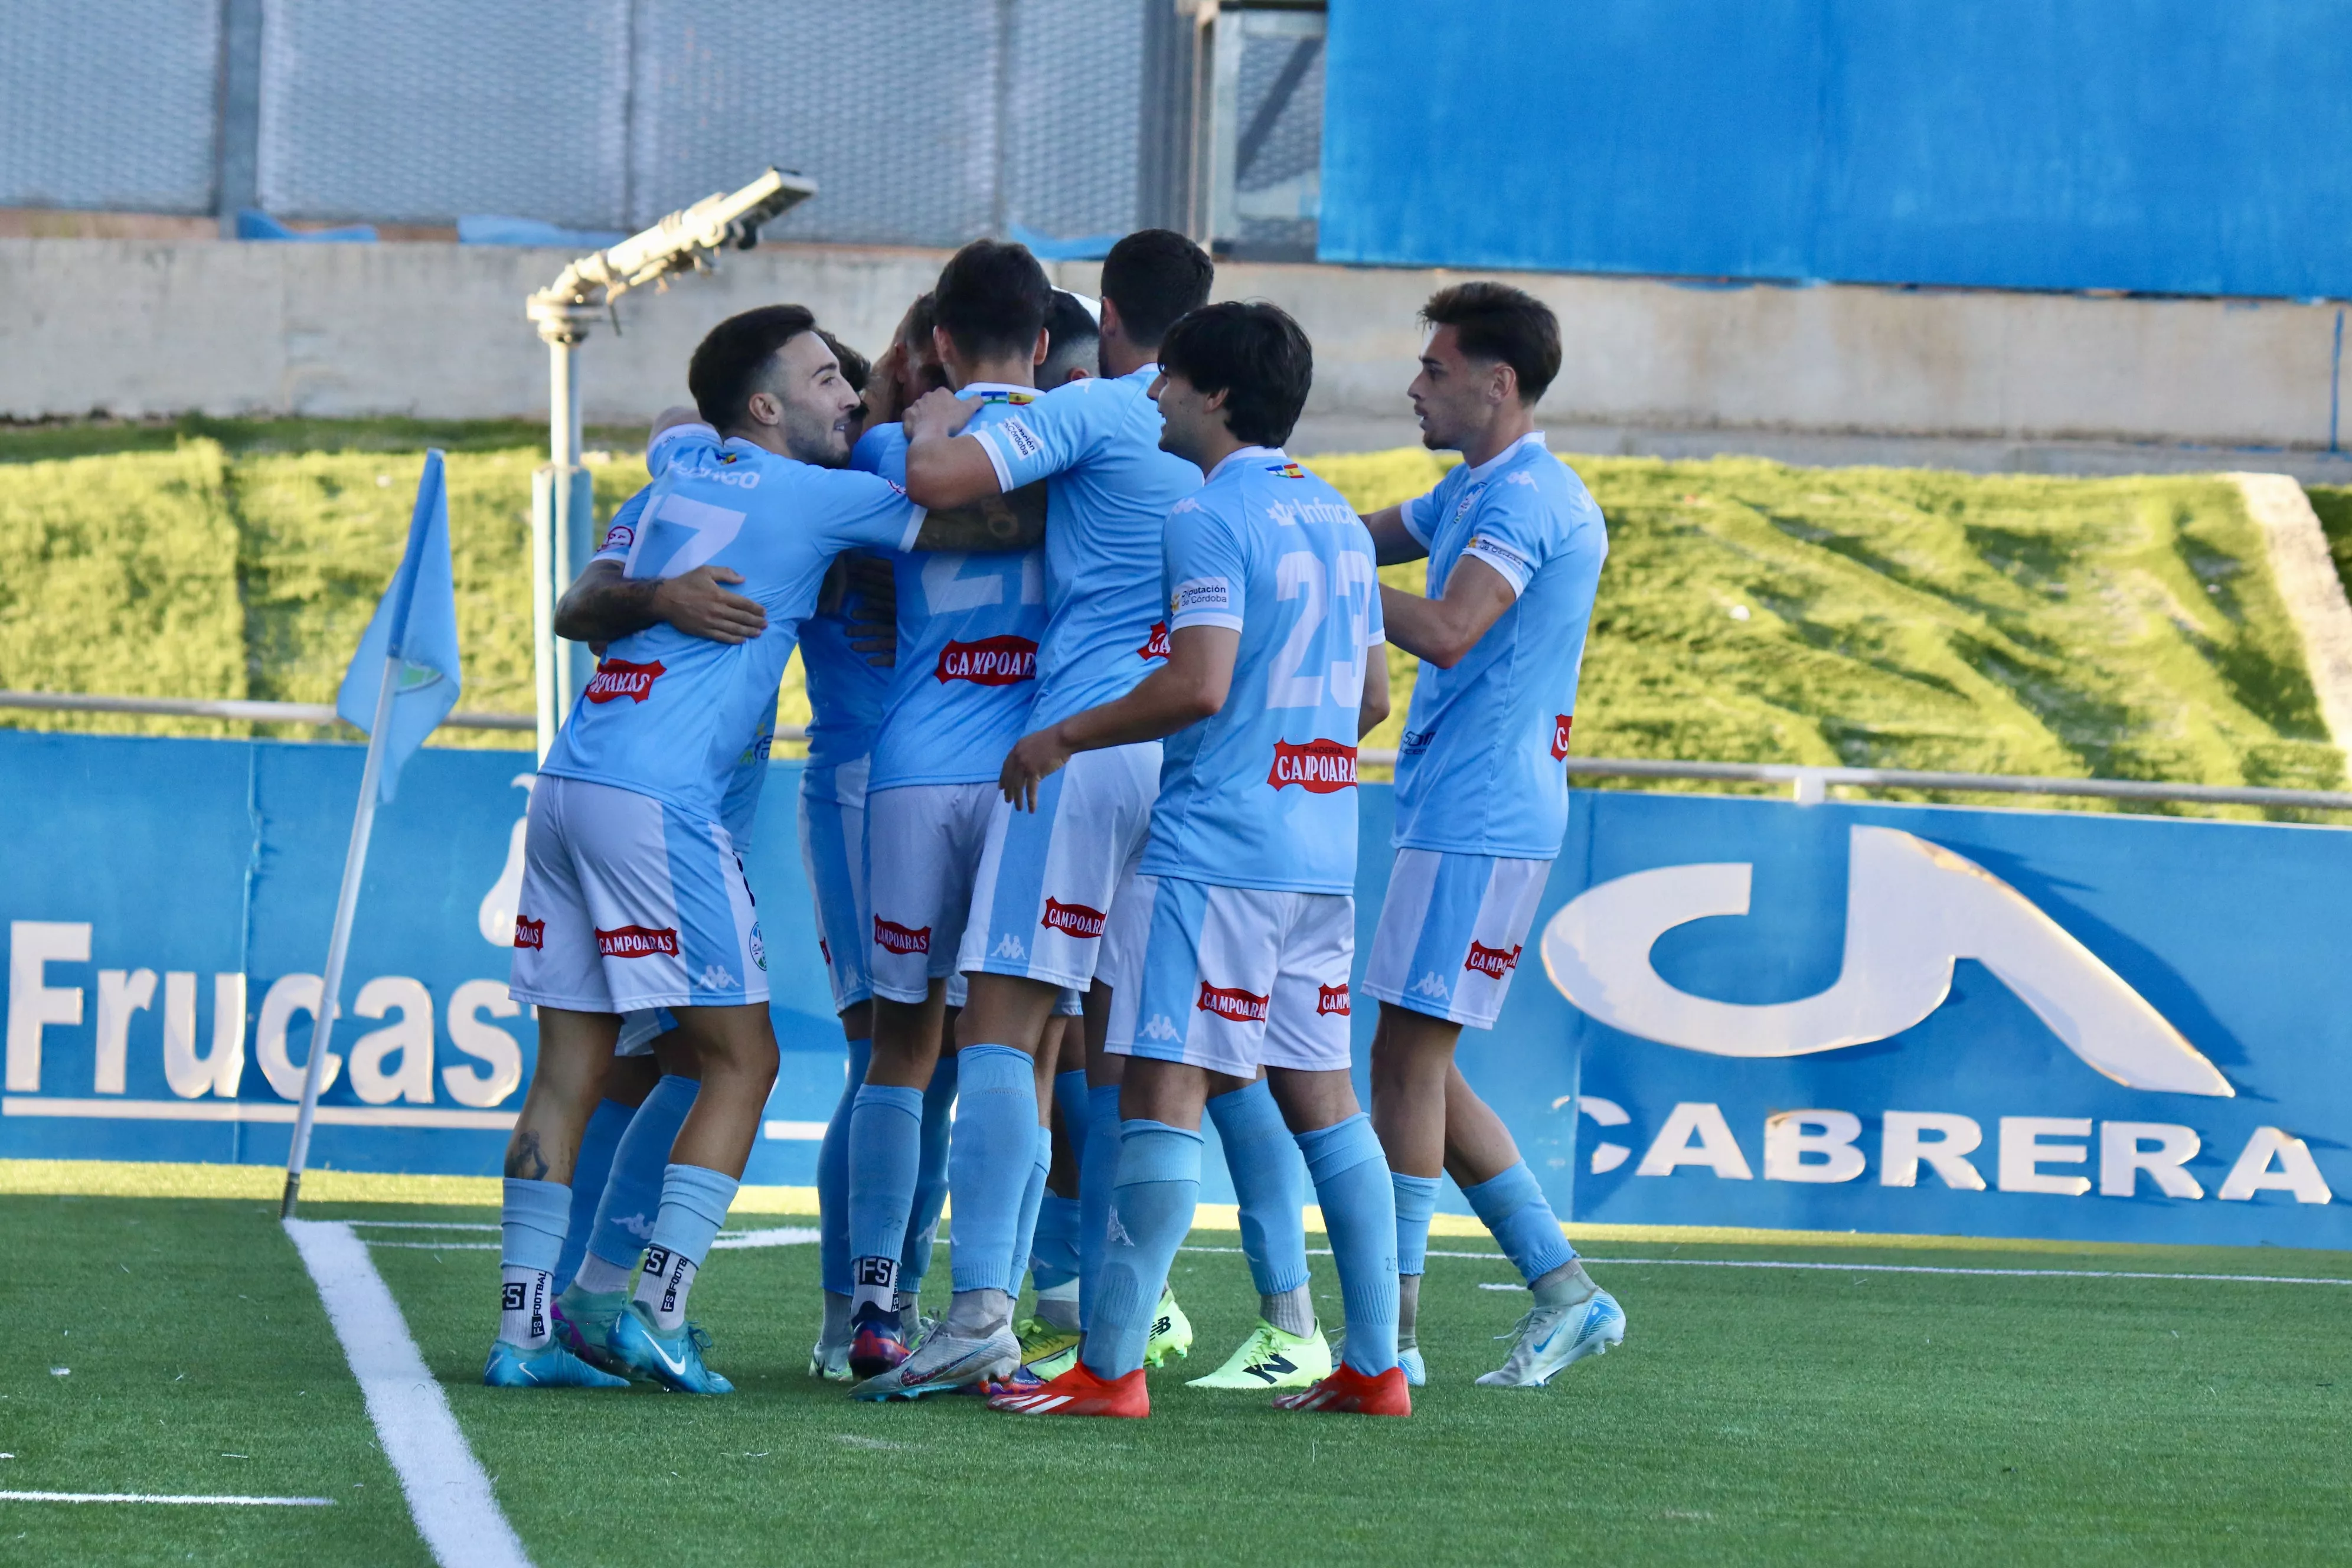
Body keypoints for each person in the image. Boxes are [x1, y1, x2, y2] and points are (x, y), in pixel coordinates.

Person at [488, 303, 1024, 1394]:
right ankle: (659, 1312)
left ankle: (524, 1335)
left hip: (567, 787)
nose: (849, 398)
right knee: (748, 1060)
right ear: (767, 405)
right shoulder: (816, 493)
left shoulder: (673, 481)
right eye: (825, 381)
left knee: (576, 1070)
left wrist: (654, 593)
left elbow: (582, 600)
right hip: (658, 804)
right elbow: (985, 525)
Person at [903, 231, 1324, 1391]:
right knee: (1153, 1058)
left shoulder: (1100, 407)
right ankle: (1207, 1319)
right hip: (1191, 770)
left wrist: (938, 409)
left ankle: (980, 1304)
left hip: (1083, 747)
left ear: (1106, 312)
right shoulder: (1274, 473)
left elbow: (938, 479)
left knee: (1001, 1018)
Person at [989, 302, 1406, 1419]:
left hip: (1218, 850)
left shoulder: (1207, 515)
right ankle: (1375, 1367)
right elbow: (1370, 697)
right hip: (1321, 850)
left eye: (1169, 379)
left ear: (1215, 396)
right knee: (1327, 1105)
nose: (1154, 394)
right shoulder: (1335, 517)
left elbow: (1200, 685)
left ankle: (1110, 1369)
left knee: (1162, 1094)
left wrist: (1063, 733)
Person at [1355, 282, 1623, 1387]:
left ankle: (1395, 1339)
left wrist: (1299, 562)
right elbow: (1357, 534)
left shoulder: (1523, 503)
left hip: (1482, 812)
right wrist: (1266, 509)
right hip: (1469, 807)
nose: (1414, 385)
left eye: (1433, 368)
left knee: (1404, 1061)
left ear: (1495, 383)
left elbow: (1451, 631)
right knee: (1420, 1059)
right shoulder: (1472, 489)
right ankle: (1565, 1292)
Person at [839, 239, 1067, 1396]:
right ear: (1043, 338)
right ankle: (996, 1310)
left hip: (915, 761)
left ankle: (879, 1303)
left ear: (938, 338)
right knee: (1015, 1041)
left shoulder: (894, 443)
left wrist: (903, 398)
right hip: (1033, 771)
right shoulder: (1082, 440)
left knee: (902, 1040)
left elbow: (875, 482)